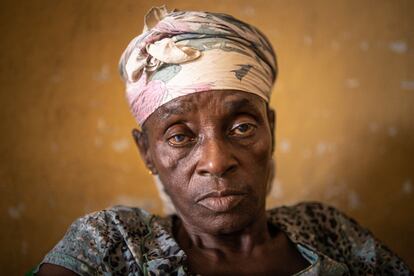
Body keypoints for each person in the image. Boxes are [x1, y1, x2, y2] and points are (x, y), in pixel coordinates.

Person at [35, 6, 411, 276]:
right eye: (180, 136)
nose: (215, 162)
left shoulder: (328, 231)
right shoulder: (113, 244)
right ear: (146, 152)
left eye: (243, 127)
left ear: (271, 130)